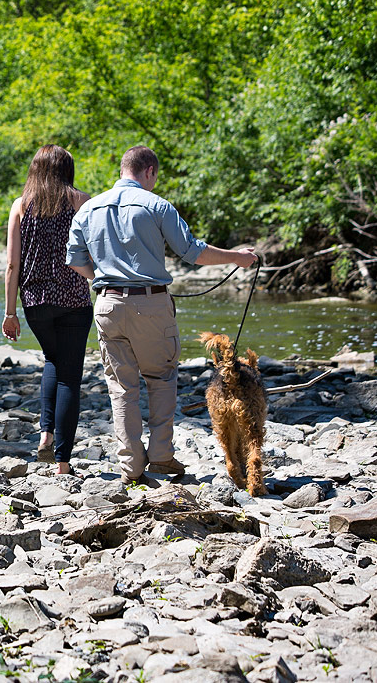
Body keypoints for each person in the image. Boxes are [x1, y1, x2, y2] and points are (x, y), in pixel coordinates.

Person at [66, 146, 258, 484]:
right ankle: (161, 457)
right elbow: (192, 252)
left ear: (123, 168)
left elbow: (75, 260)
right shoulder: (156, 206)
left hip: (107, 304)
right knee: (161, 379)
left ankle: (130, 467)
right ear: (149, 171)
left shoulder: (88, 209)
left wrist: (103, 278)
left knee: (122, 389)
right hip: (151, 304)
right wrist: (237, 257)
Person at [3, 144, 93, 477]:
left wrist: (10, 312)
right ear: (67, 170)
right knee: (70, 376)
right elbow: (92, 251)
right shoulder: (80, 201)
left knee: (52, 359)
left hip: (35, 301)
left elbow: (12, 265)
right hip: (73, 299)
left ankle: (45, 433)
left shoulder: (20, 205)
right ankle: (62, 463)